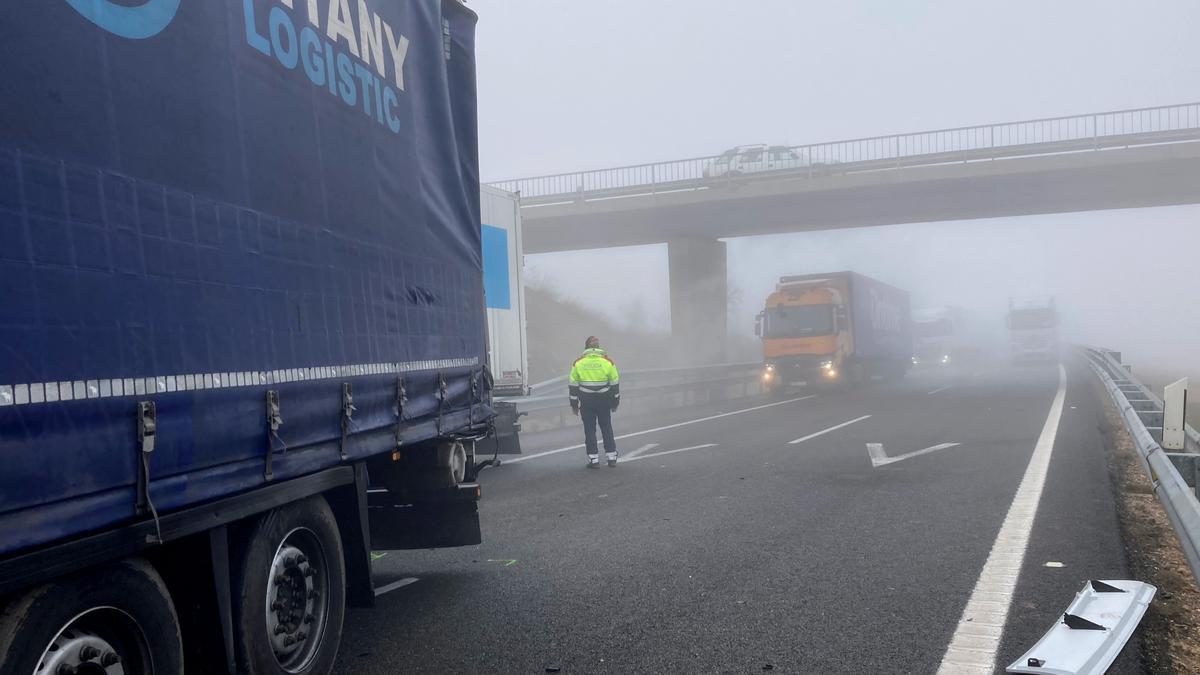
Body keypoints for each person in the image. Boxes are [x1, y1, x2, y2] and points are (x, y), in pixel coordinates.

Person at [568, 336, 620, 467]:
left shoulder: (578, 363)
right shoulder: (608, 362)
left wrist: (574, 405)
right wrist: (615, 403)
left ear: (586, 347)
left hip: (586, 401)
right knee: (606, 427)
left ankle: (593, 459)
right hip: (604, 400)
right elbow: (615, 384)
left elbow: (573, 386)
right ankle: (611, 457)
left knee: (589, 429)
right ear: (598, 347)